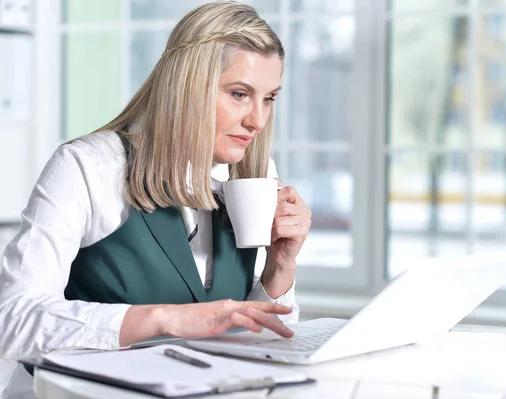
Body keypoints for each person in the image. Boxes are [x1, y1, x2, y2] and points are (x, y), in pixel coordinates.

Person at [0, 1, 311, 361]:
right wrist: (164, 318)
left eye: (269, 98)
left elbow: (255, 341)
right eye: (239, 94)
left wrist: (280, 266)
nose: (257, 120)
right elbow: (12, 318)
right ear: (187, 85)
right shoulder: (90, 167)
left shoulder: (251, 176)